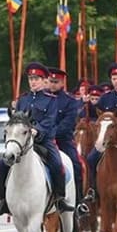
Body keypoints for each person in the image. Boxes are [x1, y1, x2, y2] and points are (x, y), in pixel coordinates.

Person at [0, 62, 75, 217]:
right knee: (2, 165)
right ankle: (4, 200)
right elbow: (16, 120)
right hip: (22, 142)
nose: (33, 82)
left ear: (44, 81)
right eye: (31, 79)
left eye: (36, 79)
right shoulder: (22, 99)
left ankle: (60, 198)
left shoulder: (51, 100)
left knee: (58, 165)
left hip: (43, 141)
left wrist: (37, 130)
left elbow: (50, 121)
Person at [85, 63, 117, 209]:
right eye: (113, 78)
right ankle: (92, 189)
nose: (116, 81)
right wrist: (86, 104)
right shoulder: (105, 98)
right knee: (91, 159)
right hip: (106, 139)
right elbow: (95, 116)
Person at [47, 67, 89, 216]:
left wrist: (51, 134)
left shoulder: (70, 101)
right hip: (42, 140)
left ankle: (78, 202)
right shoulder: (42, 98)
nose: (52, 84)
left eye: (55, 82)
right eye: (50, 81)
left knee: (77, 165)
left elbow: (68, 123)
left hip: (62, 140)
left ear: (62, 82)